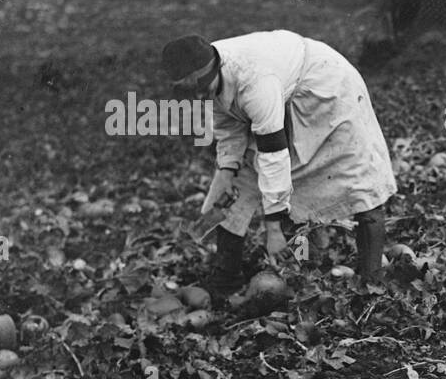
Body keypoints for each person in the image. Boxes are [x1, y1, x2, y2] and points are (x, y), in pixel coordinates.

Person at [161, 30, 397, 295]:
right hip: (281, 93)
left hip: (325, 86)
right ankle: (227, 276)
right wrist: (227, 172)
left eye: (199, 90)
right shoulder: (209, 79)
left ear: (210, 71)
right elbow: (229, 130)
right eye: (189, 92)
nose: (198, 98)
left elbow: (273, 153)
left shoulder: (254, 81)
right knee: (238, 182)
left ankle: (371, 280)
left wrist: (272, 228)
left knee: (357, 176)